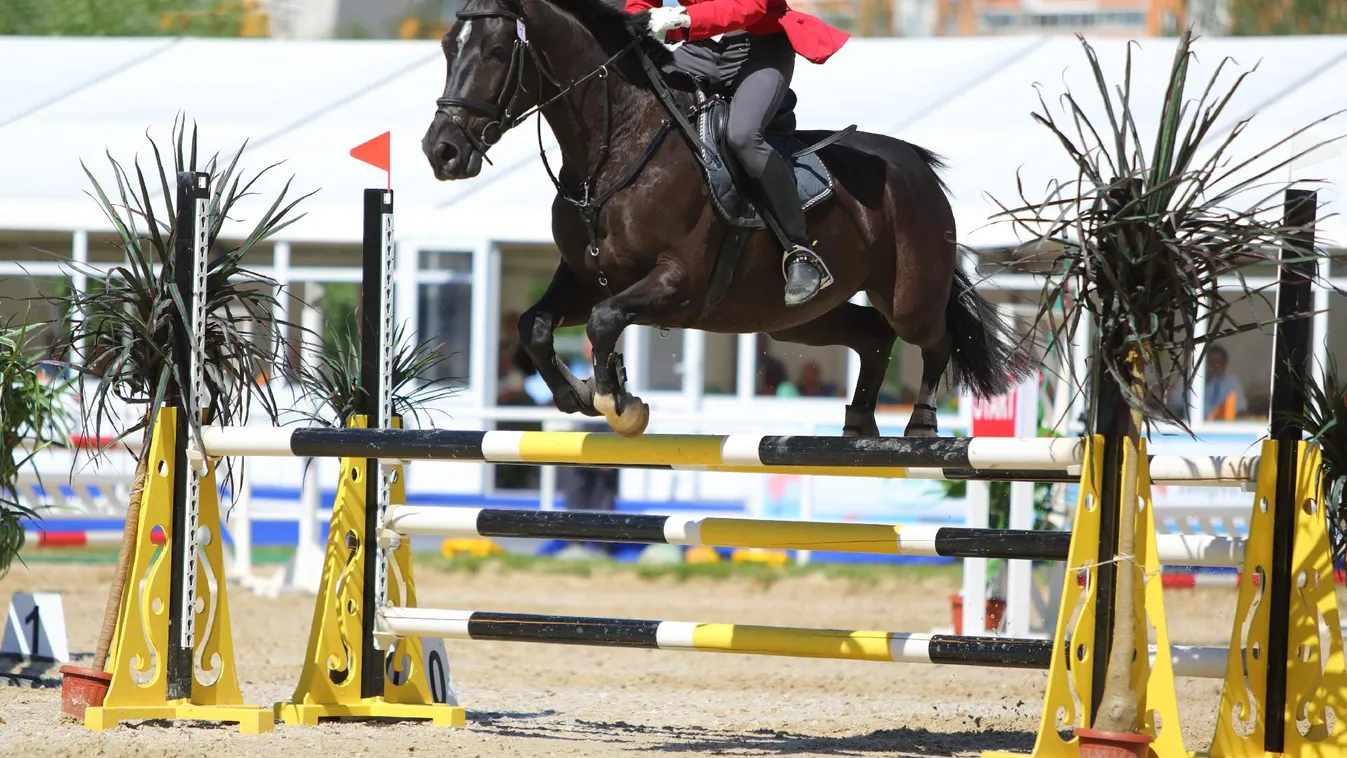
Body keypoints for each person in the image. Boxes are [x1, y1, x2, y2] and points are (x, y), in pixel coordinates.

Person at [625, 0, 850, 308]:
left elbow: (752, 6)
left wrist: (681, 17)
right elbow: (641, 4)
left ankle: (800, 250)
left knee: (743, 136)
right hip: (699, 50)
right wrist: (637, 18)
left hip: (759, 47)